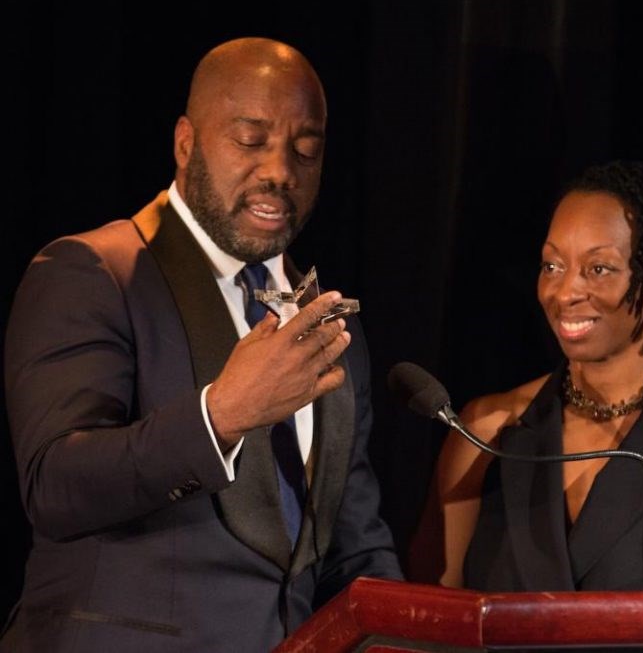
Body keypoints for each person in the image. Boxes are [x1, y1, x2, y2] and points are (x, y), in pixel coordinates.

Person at [2, 37, 402, 652]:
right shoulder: (92, 272)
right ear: (186, 142)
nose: (279, 171)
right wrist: (220, 416)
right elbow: (55, 485)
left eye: (306, 150)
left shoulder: (328, 325)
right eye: (251, 141)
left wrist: (401, 634)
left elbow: (353, 542)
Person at [412, 159, 643, 592]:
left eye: (598, 269)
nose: (564, 293)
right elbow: (426, 616)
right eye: (552, 266)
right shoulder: (485, 430)